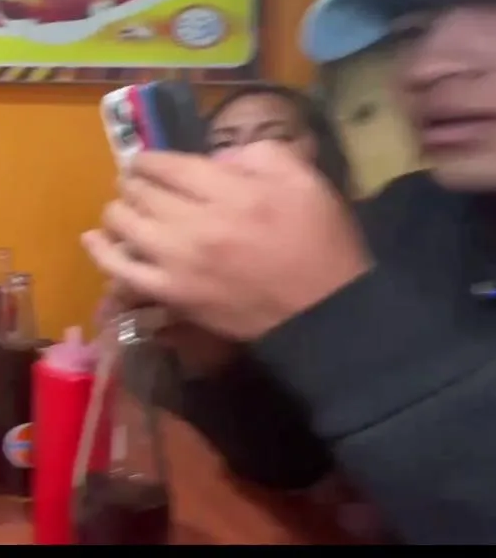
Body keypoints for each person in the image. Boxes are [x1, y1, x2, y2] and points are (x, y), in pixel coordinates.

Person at [83, 0, 496, 544]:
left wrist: (332, 320)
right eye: (414, 27)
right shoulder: (406, 221)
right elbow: (292, 463)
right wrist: (215, 356)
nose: (429, 65)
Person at [121, 84, 350, 491]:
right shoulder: (189, 258)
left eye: (275, 137)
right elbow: (148, 419)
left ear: (323, 150)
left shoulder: (360, 255)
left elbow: (305, 462)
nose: (245, 156)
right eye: (224, 143)